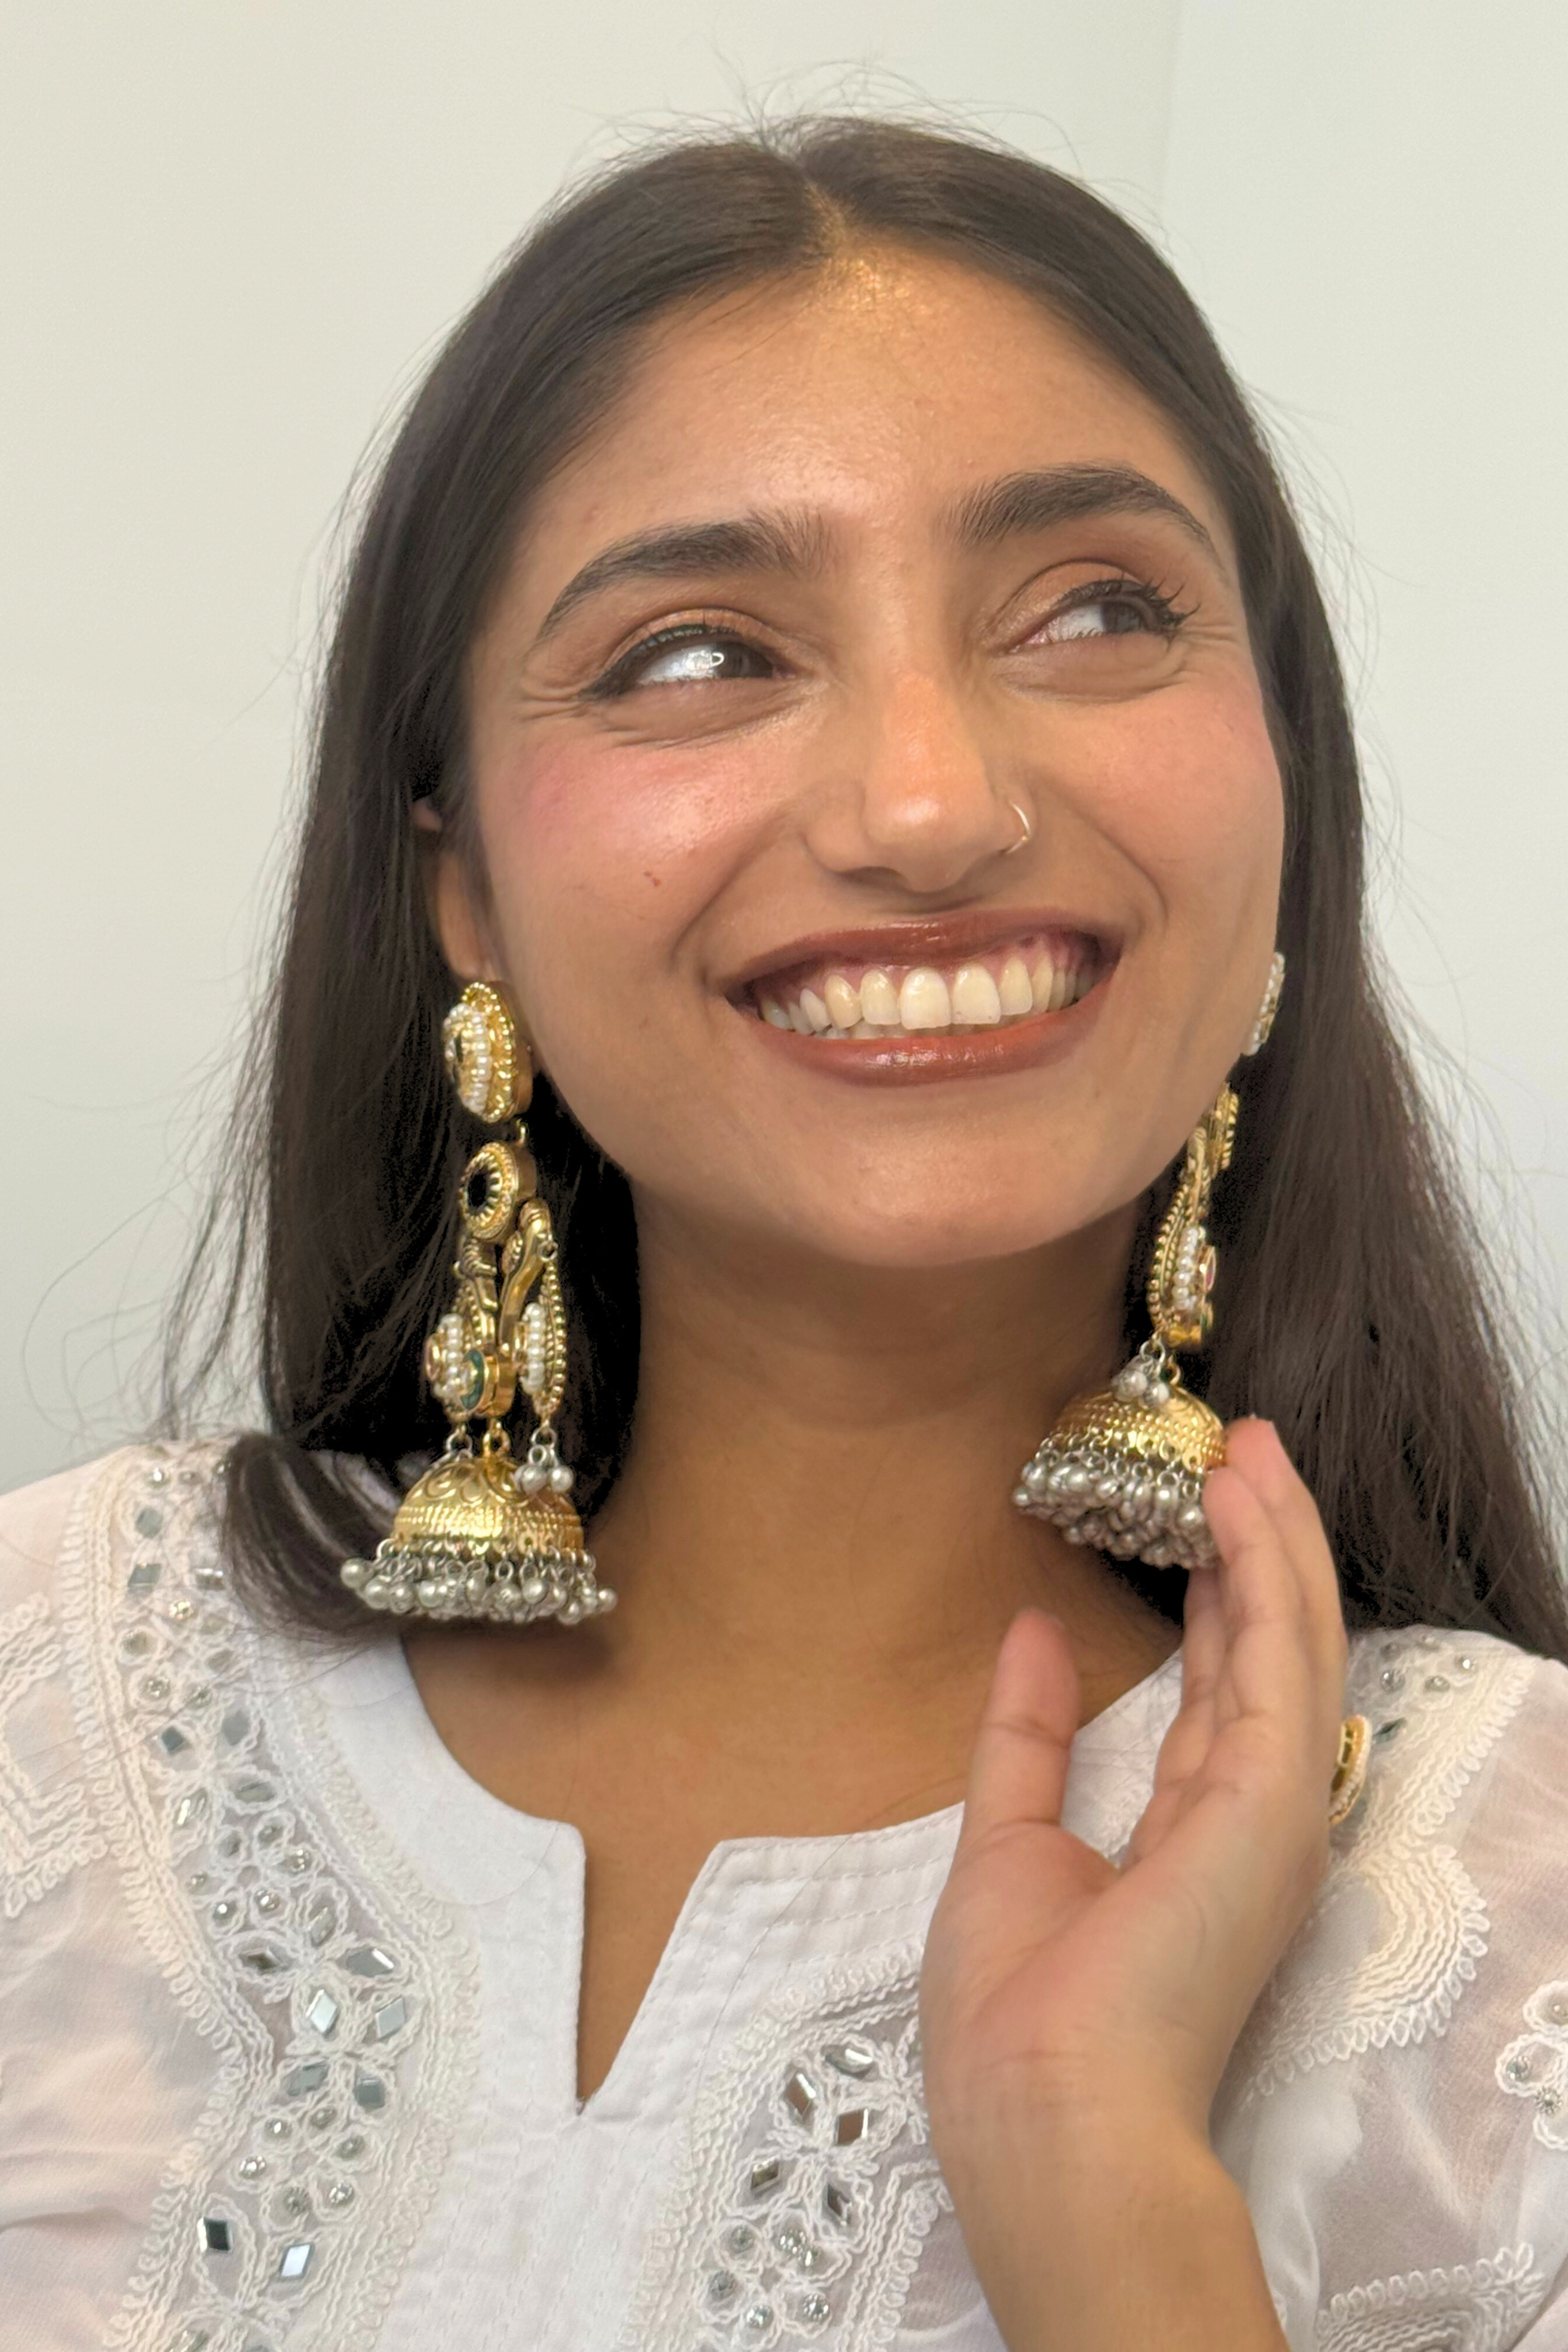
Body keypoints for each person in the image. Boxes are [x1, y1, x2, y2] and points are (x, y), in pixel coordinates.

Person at [3, 113, 1566, 2352]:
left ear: (1284, 788)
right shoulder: (63, 1708)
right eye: (695, 653)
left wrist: (1100, 2188)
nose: (932, 803)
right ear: (458, 877)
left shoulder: (1508, 1927)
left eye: (1100, 609)